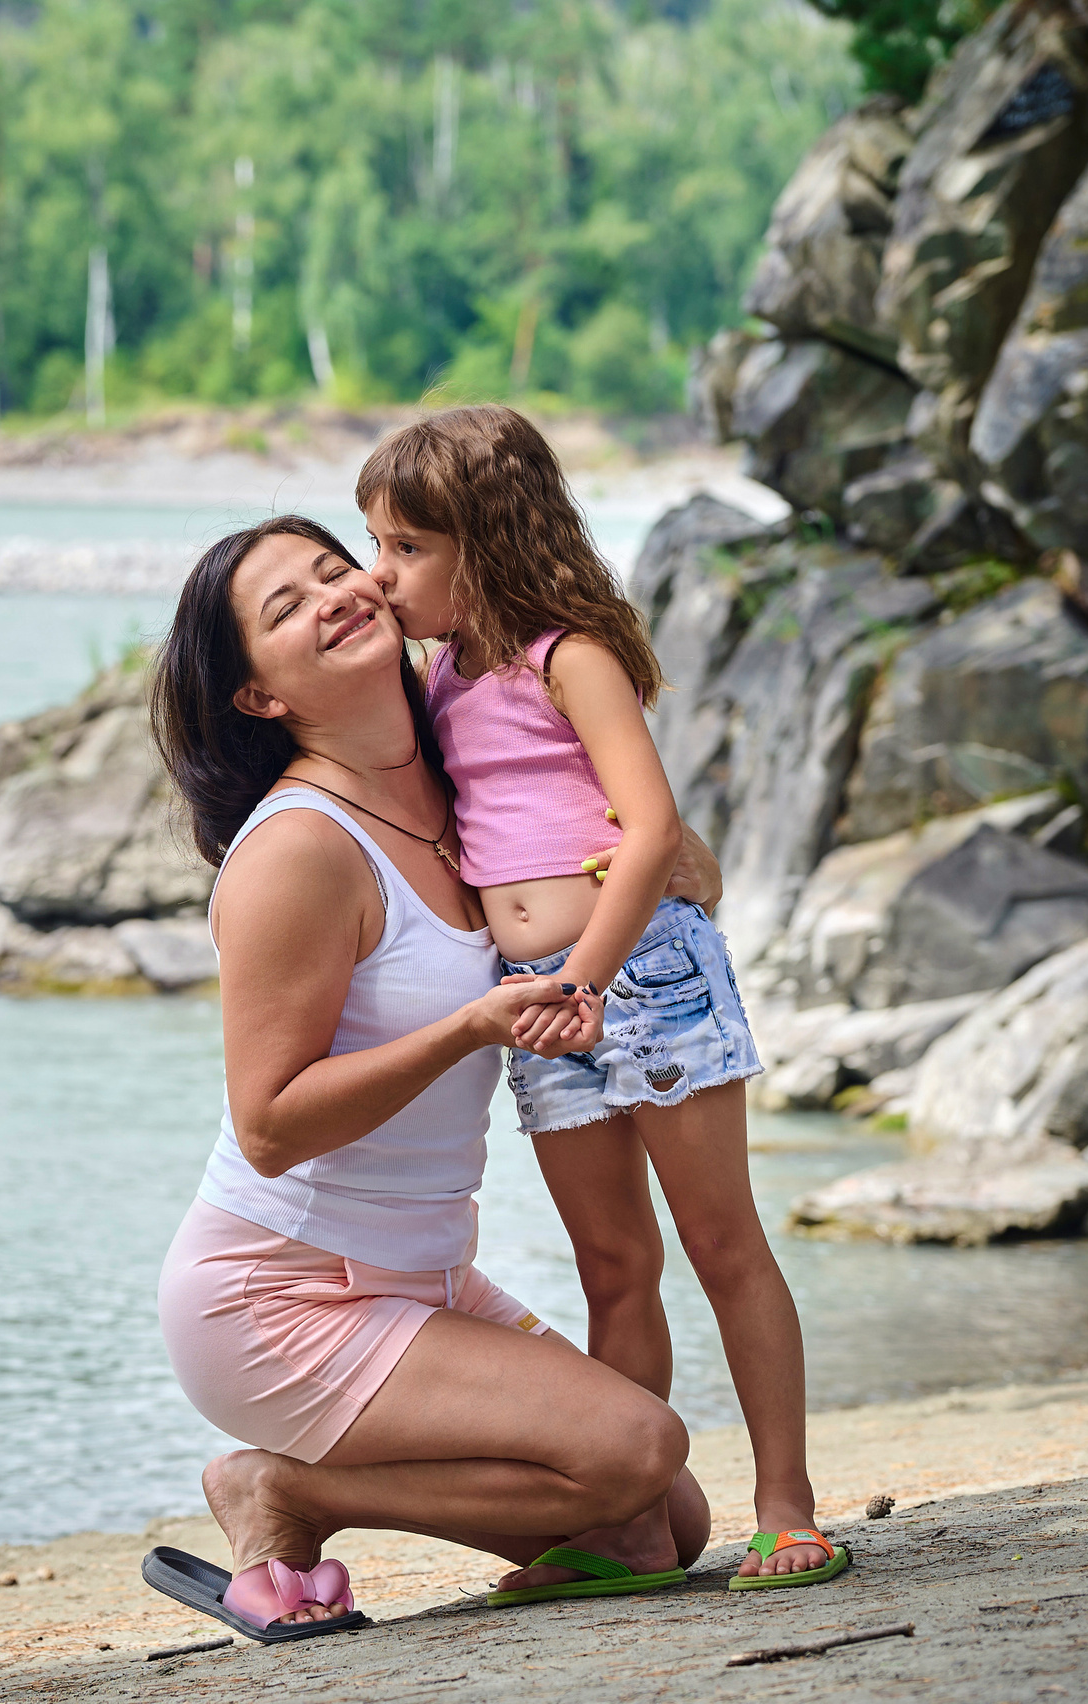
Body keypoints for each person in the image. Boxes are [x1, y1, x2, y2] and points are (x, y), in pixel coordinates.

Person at [148, 514, 718, 1635]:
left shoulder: (466, 785)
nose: (334, 595)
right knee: (636, 1450)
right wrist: (466, 1030)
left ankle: (307, 1487)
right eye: (287, 607)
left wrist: (680, 865)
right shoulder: (299, 849)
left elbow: (627, 871)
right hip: (281, 1294)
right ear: (258, 695)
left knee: (662, 1526)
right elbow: (268, 1125)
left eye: (335, 568)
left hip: (425, 1276)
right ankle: (285, 1490)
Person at [357, 404, 846, 1593]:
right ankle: (627, 1528)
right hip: (539, 1001)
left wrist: (586, 974)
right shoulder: (442, 677)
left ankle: (785, 1507)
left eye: (407, 548)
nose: (380, 575)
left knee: (721, 1243)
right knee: (612, 1266)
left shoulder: (567, 656)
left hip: (640, 978)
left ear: (484, 543)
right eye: (374, 545)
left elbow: (653, 826)